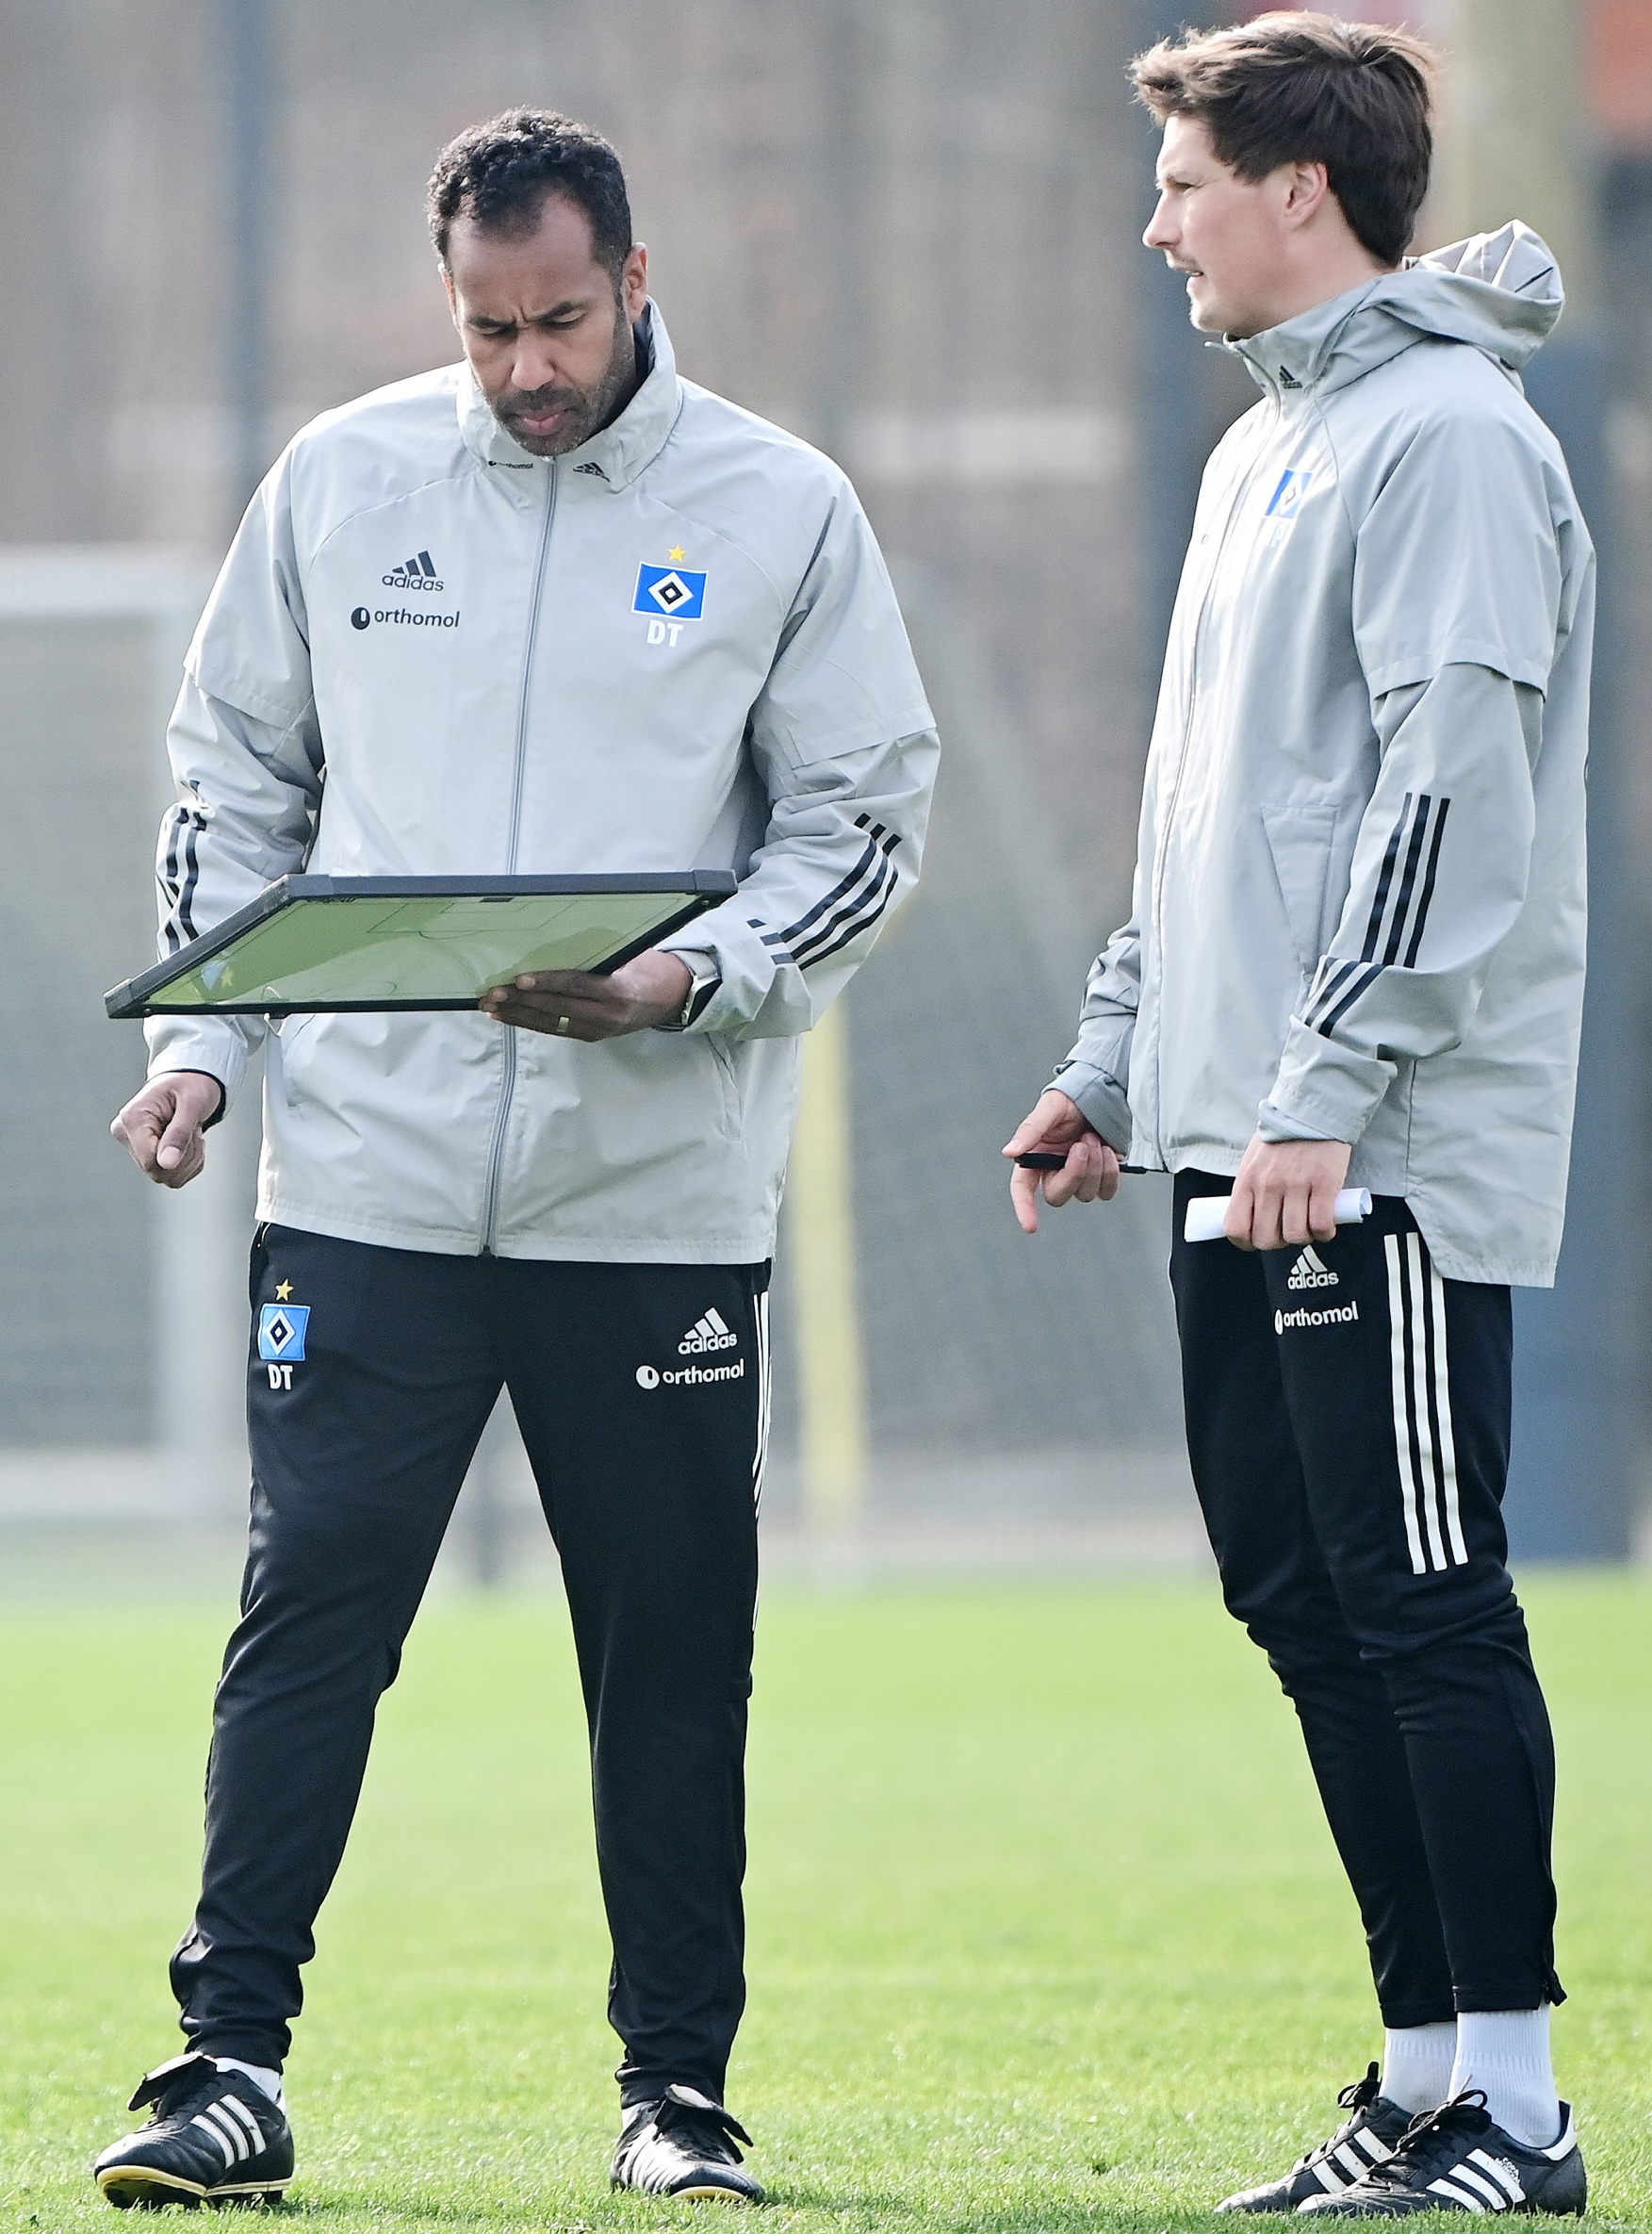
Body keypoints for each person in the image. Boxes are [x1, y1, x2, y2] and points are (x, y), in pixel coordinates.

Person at [97, 107, 937, 2211]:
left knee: (669, 1647)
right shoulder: (341, 480)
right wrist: (203, 1044)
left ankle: (678, 2096)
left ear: (637, 282)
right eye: (487, 330)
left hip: (650, 1200)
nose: (525, 369)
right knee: (309, 1617)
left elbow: (861, 825)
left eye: (559, 321)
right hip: (364, 1186)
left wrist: (696, 982)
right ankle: (227, 2069)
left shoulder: (782, 510)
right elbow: (235, 784)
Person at [1005, 13, 1592, 2219]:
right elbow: (1205, 818)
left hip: (1377, 1151)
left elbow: (1448, 802)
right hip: (1232, 1131)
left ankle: (1517, 2112)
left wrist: (1324, 1092)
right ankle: (1424, 2072)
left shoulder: (1443, 439)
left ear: (1296, 194)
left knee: (1422, 1598)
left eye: (1181, 184)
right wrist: (1112, 1070)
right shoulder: (1264, 452)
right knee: (1298, 1592)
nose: (1153, 223)